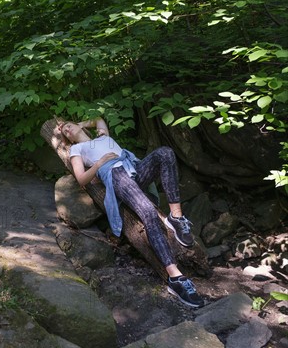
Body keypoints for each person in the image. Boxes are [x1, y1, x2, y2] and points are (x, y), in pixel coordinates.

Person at [58, 117, 205, 308]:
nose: (67, 130)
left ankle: (176, 217)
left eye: (69, 125)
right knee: (148, 212)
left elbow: (99, 119)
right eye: (65, 132)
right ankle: (176, 279)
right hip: (115, 174)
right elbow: (81, 179)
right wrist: (100, 162)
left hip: (133, 169)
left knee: (165, 153)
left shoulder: (103, 137)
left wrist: (82, 124)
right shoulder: (76, 150)